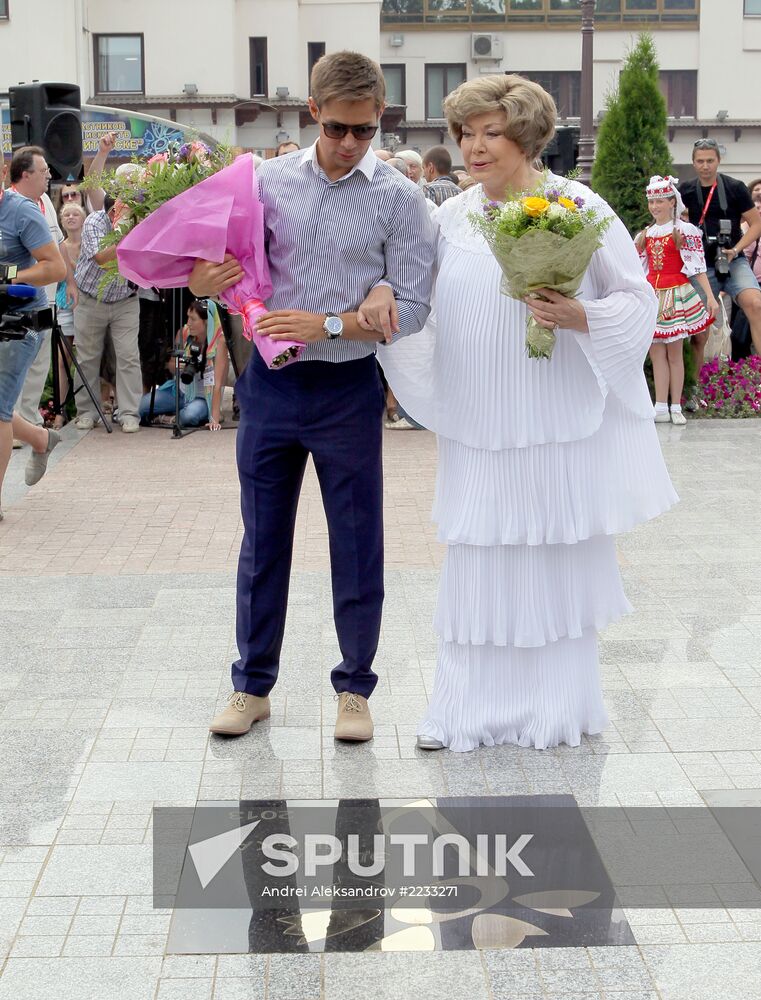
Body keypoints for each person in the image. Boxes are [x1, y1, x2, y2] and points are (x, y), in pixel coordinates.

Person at [363, 74, 677, 752]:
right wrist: (384, 295)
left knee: (551, 559)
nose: (474, 147)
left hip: (554, 423)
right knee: (478, 561)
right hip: (478, 425)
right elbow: (413, 296)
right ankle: (460, 710)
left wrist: (580, 315)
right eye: (465, 134)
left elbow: (637, 300)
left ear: (527, 137)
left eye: (491, 133)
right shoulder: (448, 216)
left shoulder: (577, 205)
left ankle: (554, 708)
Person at [189, 50, 435, 743]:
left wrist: (331, 322)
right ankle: (251, 686)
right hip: (270, 385)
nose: (350, 143)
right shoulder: (263, 182)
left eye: (364, 130)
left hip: (347, 386)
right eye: (336, 129)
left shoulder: (400, 198)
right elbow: (216, 272)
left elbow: (415, 305)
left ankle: (355, 689)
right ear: (312, 114)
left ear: (380, 117)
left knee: (356, 541)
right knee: (263, 540)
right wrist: (203, 281)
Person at [0, 167, 67, 519]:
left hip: (19, 324)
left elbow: (56, 269)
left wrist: (9, 277)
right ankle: (41, 439)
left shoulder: (21, 211)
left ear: (2, 171)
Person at [635, 176, 719, 426]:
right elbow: (639, 270)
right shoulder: (645, 234)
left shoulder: (683, 230)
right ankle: (660, 406)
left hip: (676, 294)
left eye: (660, 201)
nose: (655, 206)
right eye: (652, 202)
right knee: (656, 353)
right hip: (653, 296)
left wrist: (710, 297)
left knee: (675, 353)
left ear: (672, 202)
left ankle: (676, 406)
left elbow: (697, 266)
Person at [679, 140, 761, 376]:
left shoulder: (735, 187)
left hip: (733, 258)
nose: (705, 166)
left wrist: (736, 249)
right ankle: (693, 386)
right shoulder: (686, 190)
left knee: (756, 304)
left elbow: (756, 224)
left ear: (718, 161)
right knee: (699, 329)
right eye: (700, 161)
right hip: (701, 266)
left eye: (710, 161)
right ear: (693, 163)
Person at [9, 147, 72, 431]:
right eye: (43, 170)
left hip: (46, 300)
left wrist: (70, 281)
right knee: (16, 363)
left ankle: (30, 421)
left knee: (38, 362)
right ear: (26, 174)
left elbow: (59, 245)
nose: (49, 175)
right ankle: (11, 423)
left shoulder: (45, 200)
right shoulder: (9, 206)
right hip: (17, 303)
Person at [72, 195, 142, 433]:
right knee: (87, 358)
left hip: (126, 300)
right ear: (113, 210)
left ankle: (129, 413)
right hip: (91, 298)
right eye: (124, 210)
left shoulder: (141, 220)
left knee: (128, 356)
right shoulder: (94, 222)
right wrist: (130, 235)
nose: (129, 214)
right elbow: (102, 258)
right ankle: (87, 412)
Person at [139, 299, 229, 429]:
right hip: (179, 391)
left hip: (203, 397)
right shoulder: (184, 333)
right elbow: (170, 365)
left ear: (206, 321)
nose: (188, 323)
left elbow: (218, 384)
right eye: (188, 317)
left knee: (189, 416)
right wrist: (176, 365)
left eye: (193, 319)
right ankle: (176, 415)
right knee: (141, 407)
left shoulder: (219, 342)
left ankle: (166, 418)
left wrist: (214, 418)